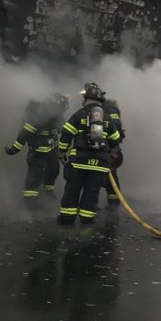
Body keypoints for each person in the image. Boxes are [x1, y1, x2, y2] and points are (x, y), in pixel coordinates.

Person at [56, 82, 122, 225]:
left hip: (79, 161)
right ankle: (87, 219)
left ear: (86, 100)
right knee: (92, 192)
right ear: (101, 101)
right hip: (100, 164)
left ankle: (67, 219)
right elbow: (116, 139)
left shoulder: (79, 114)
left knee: (72, 190)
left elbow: (66, 135)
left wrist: (62, 152)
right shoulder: (107, 118)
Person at [5, 92, 69, 204]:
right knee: (35, 175)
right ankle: (29, 201)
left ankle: (47, 194)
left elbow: (64, 130)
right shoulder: (37, 117)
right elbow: (24, 134)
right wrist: (14, 149)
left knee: (53, 171)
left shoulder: (56, 117)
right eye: (60, 109)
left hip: (52, 150)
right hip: (37, 153)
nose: (62, 112)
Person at [102, 94, 125, 205]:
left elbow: (115, 128)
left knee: (93, 178)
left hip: (106, 150)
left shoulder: (107, 110)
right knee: (110, 177)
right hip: (109, 149)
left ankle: (113, 203)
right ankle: (113, 203)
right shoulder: (110, 110)